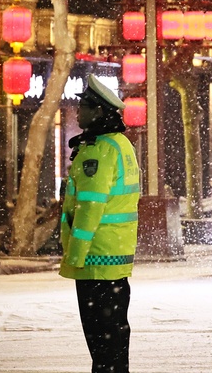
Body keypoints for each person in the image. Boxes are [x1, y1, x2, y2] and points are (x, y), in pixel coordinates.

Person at [59, 75, 141, 373]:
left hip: (95, 257)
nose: (77, 111)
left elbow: (90, 207)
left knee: (101, 340)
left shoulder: (98, 150)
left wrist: (75, 255)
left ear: (98, 112)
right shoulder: (121, 144)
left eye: (83, 106)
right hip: (115, 254)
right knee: (115, 336)